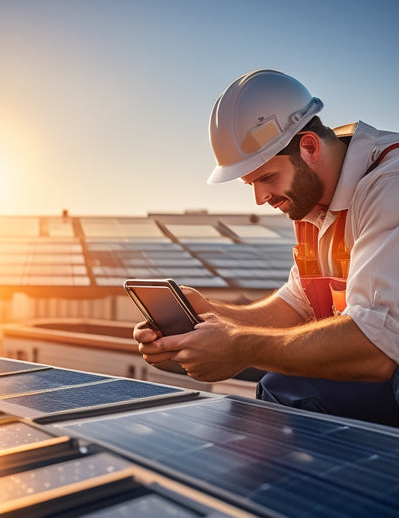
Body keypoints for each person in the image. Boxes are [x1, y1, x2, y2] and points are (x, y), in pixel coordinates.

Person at [134, 69, 399, 426]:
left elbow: (376, 348)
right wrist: (211, 315)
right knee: (283, 388)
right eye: (251, 183)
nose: (260, 199)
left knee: (292, 385)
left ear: (309, 147)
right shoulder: (315, 206)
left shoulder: (388, 186)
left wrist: (240, 347)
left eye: (267, 178)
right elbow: (295, 304)